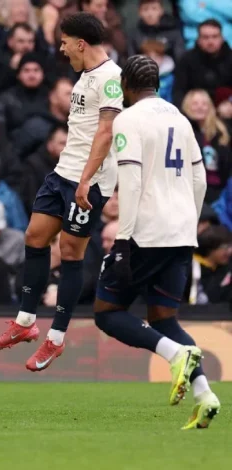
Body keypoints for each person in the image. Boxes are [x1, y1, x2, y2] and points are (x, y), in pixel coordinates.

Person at [0, 13, 122, 371]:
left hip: (88, 180)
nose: (61, 49)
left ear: (81, 43)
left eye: (64, 43)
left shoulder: (111, 78)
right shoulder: (84, 75)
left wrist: (86, 179)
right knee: (34, 237)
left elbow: (106, 132)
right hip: (63, 172)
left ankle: (57, 338)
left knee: (71, 252)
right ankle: (25, 321)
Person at [93, 55, 220, 429]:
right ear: (157, 85)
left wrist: (123, 239)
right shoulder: (180, 119)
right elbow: (199, 180)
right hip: (181, 232)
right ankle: (205, 394)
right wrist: (188, 223)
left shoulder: (128, 119)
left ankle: (175, 355)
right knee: (164, 317)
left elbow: (131, 181)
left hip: (146, 232)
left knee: (107, 312)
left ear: (127, 86)